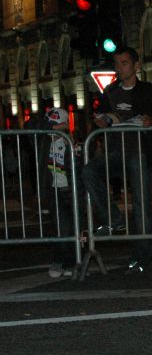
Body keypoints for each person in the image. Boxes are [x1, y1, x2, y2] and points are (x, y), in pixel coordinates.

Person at [83, 45, 152, 274]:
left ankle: (142, 255)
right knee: (89, 171)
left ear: (136, 66)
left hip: (140, 151)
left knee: (141, 206)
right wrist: (101, 121)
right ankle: (114, 219)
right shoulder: (110, 91)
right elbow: (102, 115)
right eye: (117, 64)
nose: (119, 68)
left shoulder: (149, 90)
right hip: (116, 150)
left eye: (124, 63)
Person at [45, 108, 78, 278]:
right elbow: (33, 125)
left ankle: (71, 261)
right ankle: (59, 260)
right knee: (59, 227)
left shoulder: (69, 141)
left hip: (69, 189)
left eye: (57, 126)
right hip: (54, 190)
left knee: (72, 227)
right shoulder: (44, 142)